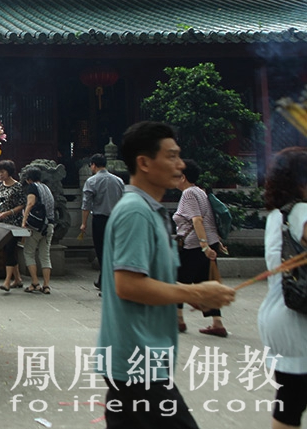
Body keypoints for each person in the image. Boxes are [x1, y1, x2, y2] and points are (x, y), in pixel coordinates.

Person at [97, 121, 235, 429]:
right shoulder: (135, 212)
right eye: (171, 156)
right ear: (144, 162)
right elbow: (128, 284)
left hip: (141, 357)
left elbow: (148, 280)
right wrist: (195, 293)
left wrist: (191, 296)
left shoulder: (152, 211)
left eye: (179, 155)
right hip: (138, 359)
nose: (180, 164)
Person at [258, 146, 307, 429]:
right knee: (294, 396)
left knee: (291, 397)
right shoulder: (301, 211)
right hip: (297, 317)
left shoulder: (279, 214)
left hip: (281, 310)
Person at [173, 159, 228, 336]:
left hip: (195, 245)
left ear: (183, 177)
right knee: (207, 283)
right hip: (208, 242)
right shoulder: (201, 192)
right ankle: (217, 322)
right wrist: (213, 242)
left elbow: (197, 219)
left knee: (178, 281)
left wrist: (204, 246)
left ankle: (178, 319)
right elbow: (210, 218)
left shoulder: (188, 193)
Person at [79, 153, 125, 291]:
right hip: (116, 219)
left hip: (100, 220)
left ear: (93, 165)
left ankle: (106, 281)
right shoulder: (118, 181)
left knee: (101, 251)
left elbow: (86, 204)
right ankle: (104, 279)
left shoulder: (91, 181)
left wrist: (83, 223)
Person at [0, 160, 25, 291]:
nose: (0, 174)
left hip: (13, 223)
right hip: (1, 222)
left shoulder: (17, 186)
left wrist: (9, 213)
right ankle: (18, 278)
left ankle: (7, 281)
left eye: (2, 172)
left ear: (9, 172)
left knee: (10, 249)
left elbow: (22, 204)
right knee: (7, 250)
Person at [20, 167, 55, 294]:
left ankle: (35, 282)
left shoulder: (32, 187)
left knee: (28, 252)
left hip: (36, 226)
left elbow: (30, 203)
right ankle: (46, 285)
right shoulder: (46, 188)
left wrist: (24, 221)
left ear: (29, 179)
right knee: (45, 255)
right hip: (49, 225)